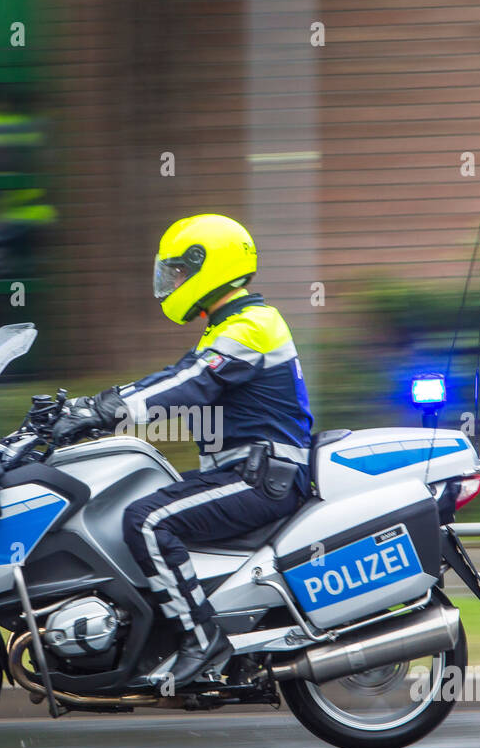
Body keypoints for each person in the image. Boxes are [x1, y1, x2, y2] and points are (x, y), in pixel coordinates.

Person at [52, 214, 314, 685]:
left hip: (261, 480)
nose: (172, 281)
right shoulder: (229, 326)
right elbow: (177, 378)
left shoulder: (253, 325)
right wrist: (85, 409)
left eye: (178, 271)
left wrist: (103, 408)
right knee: (136, 506)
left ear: (208, 266)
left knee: (147, 521)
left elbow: (188, 384)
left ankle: (202, 639)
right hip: (246, 473)